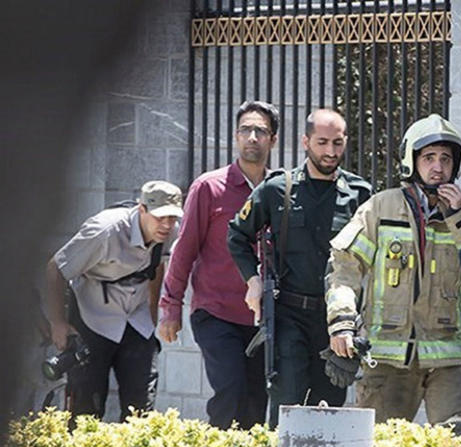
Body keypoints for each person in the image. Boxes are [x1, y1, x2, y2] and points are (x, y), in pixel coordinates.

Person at [326, 113, 461, 447]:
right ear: (412, 160)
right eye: (429, 158)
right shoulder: (380, 208)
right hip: (387, 358)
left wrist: (458, 219)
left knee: (457, 446)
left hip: (448, 358)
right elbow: (345, 270)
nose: (438, 168)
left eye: (445, 159)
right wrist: (342, 323)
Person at [227, 108, 372, 425]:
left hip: (335, 321)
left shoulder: (361, 194)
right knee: (287, 406)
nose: (330, 151)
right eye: (322, 142)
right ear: (306, 141)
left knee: (329, 408)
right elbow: (237, 235)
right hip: (289, 315)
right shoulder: (277, 189)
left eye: (337, 142)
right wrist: (252, 279)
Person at [158, 100, 278, 429]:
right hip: (215, 312)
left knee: (257, 400)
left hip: (262, 318)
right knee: (230, 390)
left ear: (273, 140)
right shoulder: (209, 187)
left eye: (261, 131)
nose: (252, 137)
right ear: (236, 137)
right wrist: (170, 307)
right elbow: (184, 250)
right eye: (246, 130)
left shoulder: (280, 190)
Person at [45, 180, 183, 419]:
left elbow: (157, 266)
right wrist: (57, 322)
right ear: (142, 210)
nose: (167, 225)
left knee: (142, 408)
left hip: (136, 318)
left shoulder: (171, 232)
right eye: (160, 218)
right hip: (93, 316)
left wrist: (152, 314)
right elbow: (55, 268)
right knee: (86, 406)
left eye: (172, 217)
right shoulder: (105, 230)